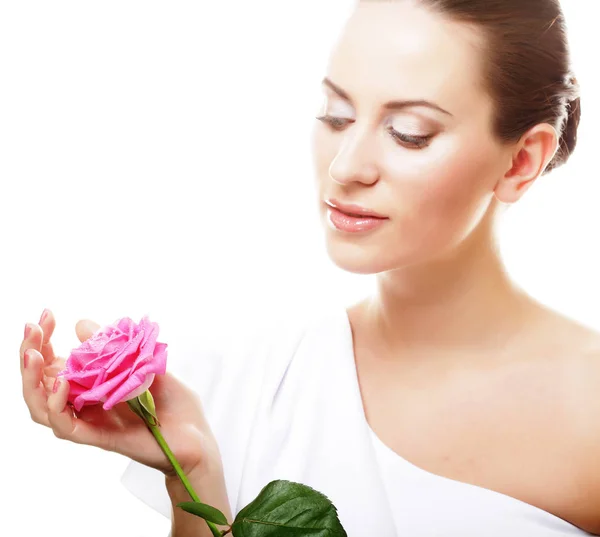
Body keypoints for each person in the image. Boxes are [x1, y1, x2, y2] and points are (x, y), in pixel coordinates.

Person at [20, 0, 600, 535]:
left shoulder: (587, 413)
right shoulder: (245, 385)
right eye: (336, 115)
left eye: (409, 134)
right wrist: (193, 475)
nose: (346, 167)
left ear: (522, 161)